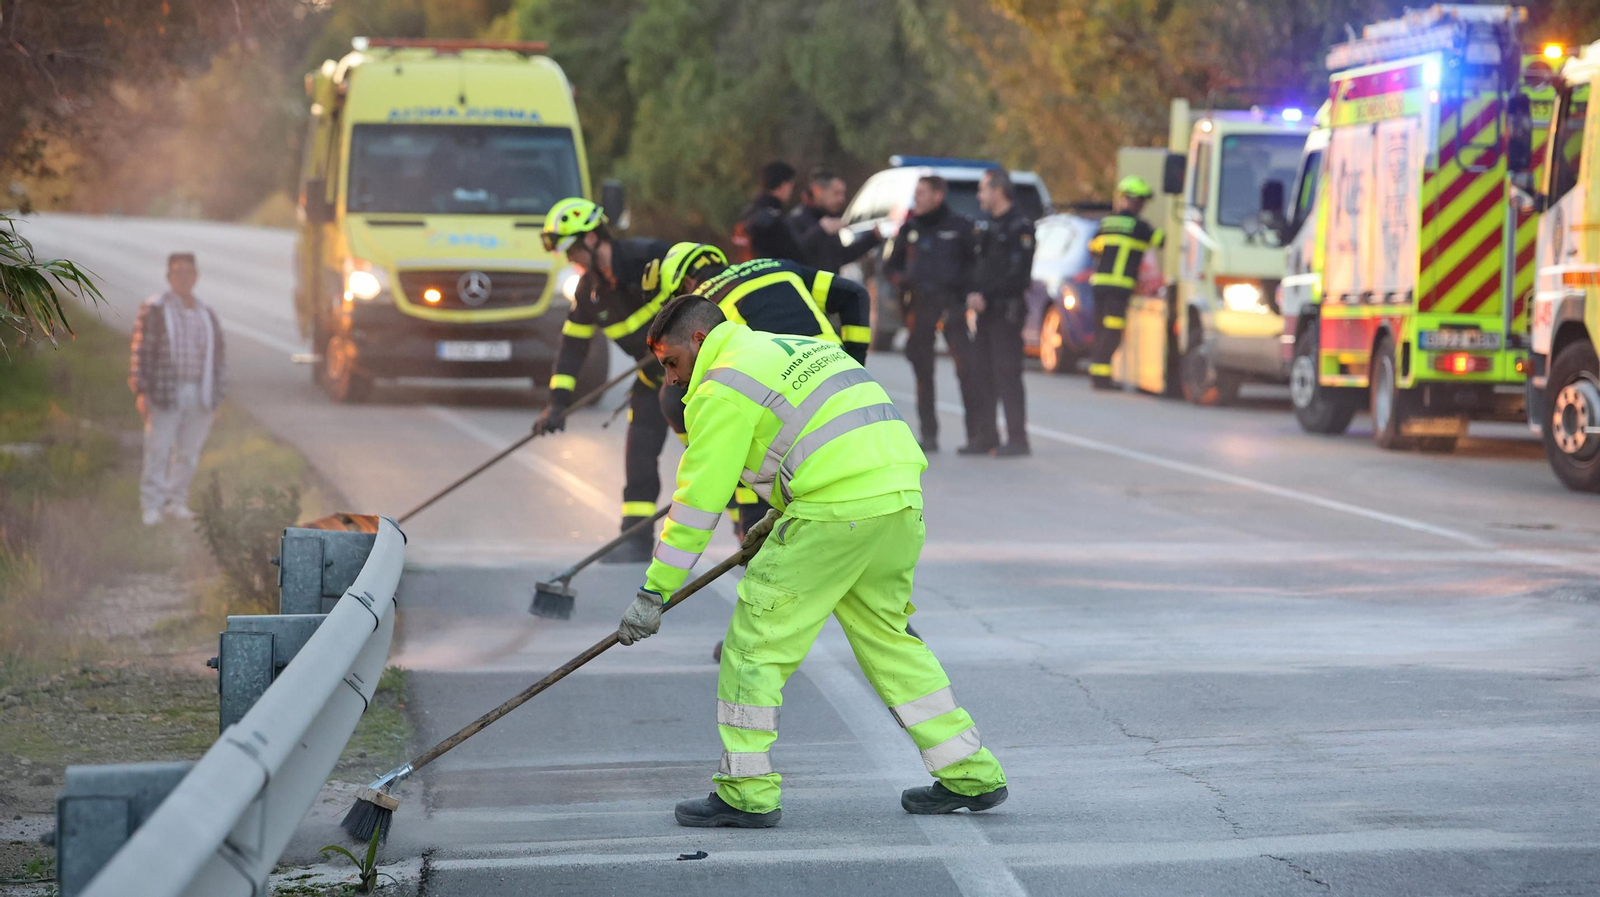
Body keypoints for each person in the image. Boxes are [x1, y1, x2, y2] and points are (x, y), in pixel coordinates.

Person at [618, 295, 1009, 828]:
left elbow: (696, 505)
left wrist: (654, 592)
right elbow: (816, 440)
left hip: (833, 514)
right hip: (898, 501)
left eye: (671, 364)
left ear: (699, 341)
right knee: (890, 642)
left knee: (755, 646)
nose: (671, 381)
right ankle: (970, 772)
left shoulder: (721, 387)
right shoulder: (798, 348)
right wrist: (775, 516)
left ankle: (745, 791)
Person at [655, 244, 872, 539]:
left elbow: (718, 431)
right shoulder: (777, 264)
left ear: (684, 287)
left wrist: (743, 516)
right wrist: (855, 368)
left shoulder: (702, 312)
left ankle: (750, 522)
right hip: (846, 390)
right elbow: (854, 295)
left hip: (790, 410)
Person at [537, 197, 673, 563]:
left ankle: (755, 526)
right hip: (651, 379)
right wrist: (558, 403)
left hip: (698, 376)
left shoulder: (651, 257)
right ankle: (635, 539)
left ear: (593, 238)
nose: (570, 260)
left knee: (729, 454)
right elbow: (572, 349)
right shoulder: (588, 292)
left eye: (572, 250)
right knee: (639, 455)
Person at [129, 253, 226, 527]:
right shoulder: (155, 309)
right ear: (169, 277)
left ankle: (176, 501)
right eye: (177, 273)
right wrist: (141, 391)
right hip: (164, 391)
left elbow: (219, 357)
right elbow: (141, 351)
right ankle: (152, 506)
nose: (184, 278)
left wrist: (217, 397)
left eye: (188, 273)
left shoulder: (206, 312)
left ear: (196, 276)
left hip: (199, 393)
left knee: (188, 453)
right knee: (158, 449)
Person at [883, 175, 979, 453]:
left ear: (938, 195)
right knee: (923, 373)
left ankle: (975, 435)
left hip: (952, 306)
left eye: (922, 193)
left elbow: (975, 264)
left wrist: (968, 293)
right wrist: (903, 280)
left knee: (966, 370)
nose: (917, 198)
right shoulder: (910, 227)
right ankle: (928, 435)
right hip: (920, 307)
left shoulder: (960, 227)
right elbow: (891, 266)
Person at [965, 168, 1036, 457]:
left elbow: (1018, 275)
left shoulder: (1020, 227)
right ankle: (986, 437)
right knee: (982, 374)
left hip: (1006, 311)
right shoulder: (987, 226)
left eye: (983, 190)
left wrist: (986, 294)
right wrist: (972, 293)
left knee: (1007, 374)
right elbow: (979, 267)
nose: (979, 196)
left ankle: (1017, 438)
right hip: (984, 312)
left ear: (998, 190)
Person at [1087, 176, 1163, 390]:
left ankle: (1098, 375)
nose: (1141, 206)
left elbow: (1093, 248)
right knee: (1112, 333)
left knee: (1101, 330)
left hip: (1100, 285)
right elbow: (1162, 241)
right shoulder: (1140, 227)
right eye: (1140, 201)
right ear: (1134, 201)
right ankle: (1101, 378)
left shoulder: (1105, 224)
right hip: (1118, 289)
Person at [788, 168, 880, 273]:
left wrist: (872, 238)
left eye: (842, 194)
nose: (841, 199)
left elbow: (840, 257)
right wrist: (820, 230)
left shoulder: (829, 216)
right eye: (836, 193)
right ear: (817, 191)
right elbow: (793, 253)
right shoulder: (797, 219)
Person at [730, 160, 805, 263]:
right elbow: (794, 256)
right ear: (783, 185)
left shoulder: (747, 214)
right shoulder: (774, 220)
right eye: (791, 185)